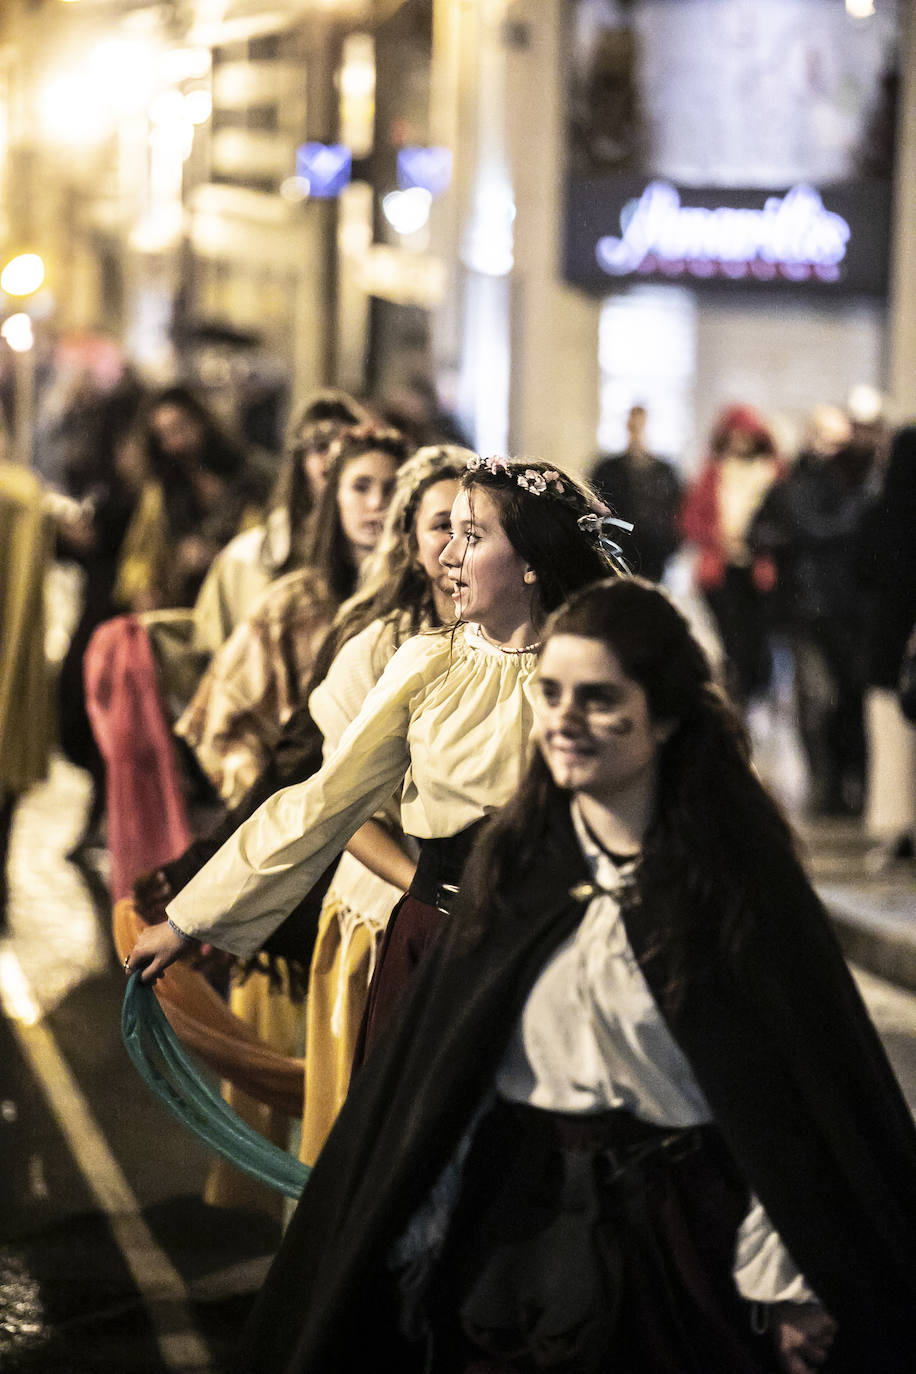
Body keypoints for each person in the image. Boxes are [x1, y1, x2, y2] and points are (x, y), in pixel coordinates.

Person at [222, 577, 916, 1374]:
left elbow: (795, 1109)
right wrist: (411, 1238)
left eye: (598, 698)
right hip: (515, 1237)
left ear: (665, 714)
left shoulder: (733, 891)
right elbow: (445, 1090)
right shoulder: (516, 874)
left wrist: (790, 1282)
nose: (564, 720)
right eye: (550, 693)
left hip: (687, 1247)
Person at [126, 456, 622, 1007]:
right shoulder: (428, 663)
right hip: (437, 941)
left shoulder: (597, 673)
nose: (448, 555)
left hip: (559, 952)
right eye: (447, 532)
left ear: (532, 559)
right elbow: (324, 802)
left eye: (473, 536)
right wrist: (189, 919)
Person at [174, 422, 408, 806]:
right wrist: (267, 807)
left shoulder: (427, 603)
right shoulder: (290, 603)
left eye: (392, 489)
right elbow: (219, 722)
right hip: (306, 807)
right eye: (361, 486)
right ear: (335, 496)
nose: (376, 503)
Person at [749, 406, 871, 817]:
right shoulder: (793, 487)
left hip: (846, 611)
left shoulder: (854, 487)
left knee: (846, 699)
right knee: (817, 699)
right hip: (803, 609)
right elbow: (758, 532)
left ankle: (845, 781)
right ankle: (825, 780)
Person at [681, 404, 782, 706]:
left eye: (745, 436)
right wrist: (717, 536)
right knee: (731, 642)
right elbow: (691, 518)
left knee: (758, 644)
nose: (739, 442)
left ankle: (754, 697)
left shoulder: (773, 471)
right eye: (734, 436)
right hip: (720, 569)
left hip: (760, 570)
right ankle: (737, 700)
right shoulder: (713, 472)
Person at [856, 424, 916, 866]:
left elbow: (861, 574)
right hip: (901, 644)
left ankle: (898, 830)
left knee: (893, 740)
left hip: (889, 644)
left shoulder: (883, 511)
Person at [590, 404, 682, 581]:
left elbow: (677, 510)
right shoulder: (607, 469)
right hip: (619, 547)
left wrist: (670, 544)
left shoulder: (664, 471)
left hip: (655, 550)